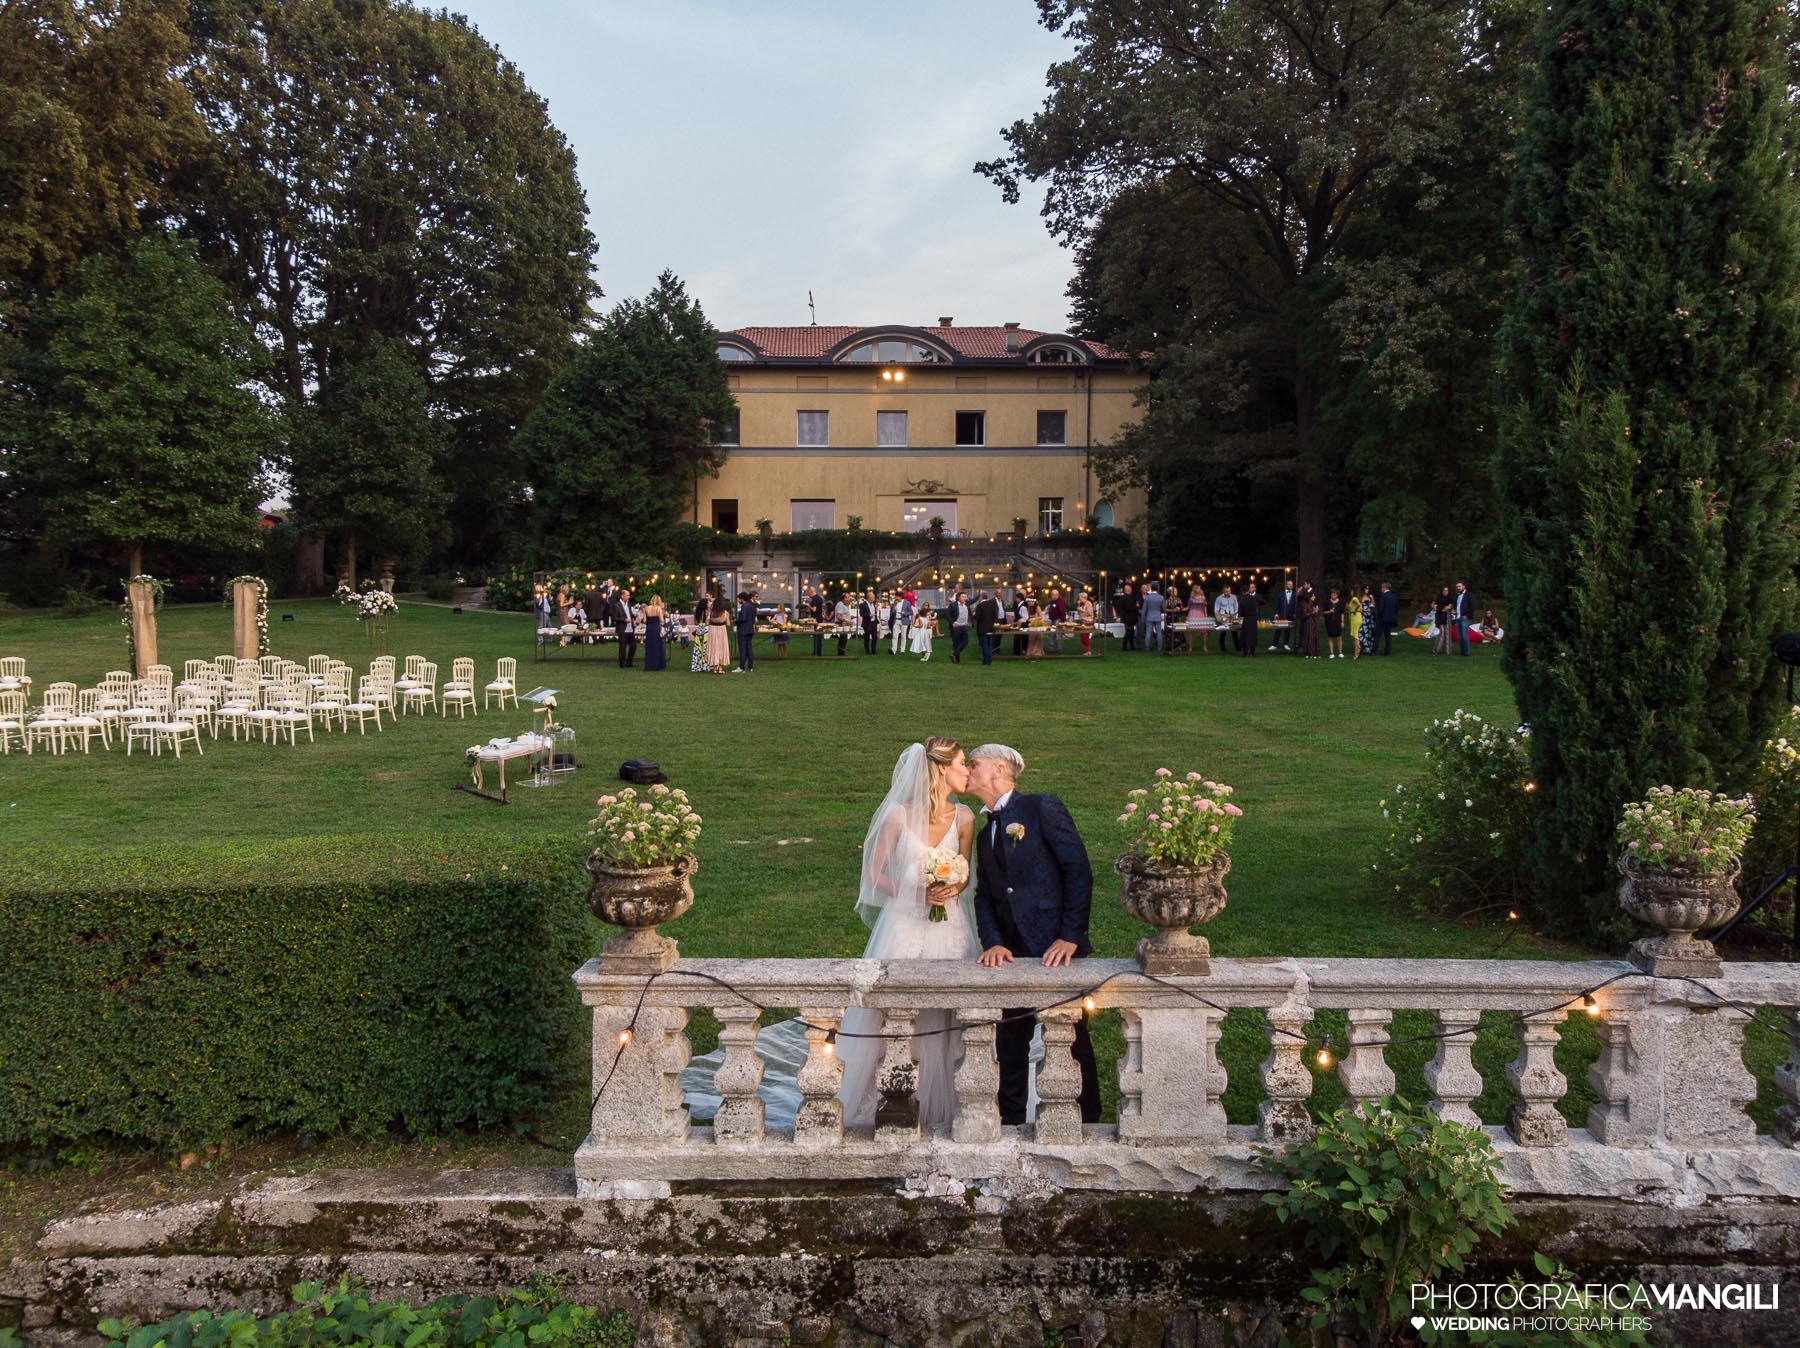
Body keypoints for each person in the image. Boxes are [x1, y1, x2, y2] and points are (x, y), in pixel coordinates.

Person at [835, 739, 979, 1131]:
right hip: (903, 923)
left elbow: (964, 874)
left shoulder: (965, 818)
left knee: (946, 1010)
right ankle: (876, 1098)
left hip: (948, 927)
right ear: (941, 769)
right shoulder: (899, 815)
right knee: (888, 1011)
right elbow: (873, 876)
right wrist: (916, 891)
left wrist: (952, 888)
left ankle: (942, 1101)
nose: (968, 770)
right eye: (963, 764)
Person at [967, 743, 1102, 1127]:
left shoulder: (1041, 807)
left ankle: (1087, 1118)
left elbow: (1078, 870)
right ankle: (1009, 1121)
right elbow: (985, 896)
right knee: (1010, 1042)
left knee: (1072, 1037)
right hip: (1009, 952)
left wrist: (1070, 935)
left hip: (1055, 948)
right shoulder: (984, 834)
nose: (967, 771)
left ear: (998, 770)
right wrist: (992, 940)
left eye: (974, 764)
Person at [611, 589, 638, 668]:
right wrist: (624, 620)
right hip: (622, 629)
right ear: (622, 596)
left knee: (633, 646)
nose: (629, 597)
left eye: (629, 595)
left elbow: (629, 614)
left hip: (630, 629)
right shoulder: (617, 605)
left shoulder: (628, 604)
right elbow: (614, 618)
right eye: (627, 595)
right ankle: (622, 664)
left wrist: (634, 615)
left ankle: (629, 662)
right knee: (623, 647)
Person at [975, 589, 1001, 665]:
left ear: (981, 597)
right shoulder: (992, 605)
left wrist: (974, 614)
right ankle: (989, 661)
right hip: (991, 628)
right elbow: (995, 616)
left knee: (984, 645)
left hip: (982, 629)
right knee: (989, 645)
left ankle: (986, 661)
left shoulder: (980, 606)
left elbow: (977, 617)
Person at [734, 591, 758, 672]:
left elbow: (743, 618)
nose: (738, 601)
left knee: (743, 649)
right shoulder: (752, 606)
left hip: (743, 630)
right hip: (750, 630)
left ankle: (741, 667)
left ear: (742, 599)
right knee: (749, 648)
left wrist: (736, 621)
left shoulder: (744, 606)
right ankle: (750, 667)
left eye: (739, 599)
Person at [707, 596, 732, 673]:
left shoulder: (711, 612)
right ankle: (720, 668)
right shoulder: (725, 613)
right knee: (722, 647)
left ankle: (714, 667)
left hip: (713, 630)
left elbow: (707, 623)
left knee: (713, 647)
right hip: (722, 630)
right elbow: (728, 624)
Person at [642, 595, 667, 671]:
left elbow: (644, 621)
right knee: (657, 646)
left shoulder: (646, 608)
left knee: (649, 647)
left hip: (649, 628)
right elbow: (662, 620)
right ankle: (657, 665)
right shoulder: (658, 608)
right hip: (656, 628)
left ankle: (649, 665)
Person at [1112, 583, 1139, 652]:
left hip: (1127, 617)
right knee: (1129, 632)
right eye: (1130, 589)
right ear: (1128, 590)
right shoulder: (1126, 598)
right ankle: (1126, 646)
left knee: (1130, 632)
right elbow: (1129, 608)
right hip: (1128, 618)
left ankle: (1130, 646)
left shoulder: (1124, 597)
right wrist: (1136, 607)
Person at [1213, 584, 1239, 653]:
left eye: (1229, 591)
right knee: (1223, 632)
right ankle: (1223, 648)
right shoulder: (1219, 598)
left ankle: (1238, 647)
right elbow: (1216, 610)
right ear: (1223, 591)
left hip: (1232, 615)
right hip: (1223, 616)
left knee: (1234, 632)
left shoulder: (1234, 597)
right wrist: (1219, 618)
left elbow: (1236, 607)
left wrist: (1235, 616)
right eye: (1226, 591)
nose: (1228, 592)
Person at [1298, 583, 1321, 659]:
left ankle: (1315, 652)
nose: (1314, 597)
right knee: (1309, 637)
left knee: (1314, 637)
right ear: (1310, 597)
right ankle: (1309, 652)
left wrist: (1316, 612)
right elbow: (1305, 614)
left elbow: (1314, 613)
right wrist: (1313, 612)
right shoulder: (1305, 604)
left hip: (1313, 622)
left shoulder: (1313, 604)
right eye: (1313, 596)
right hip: (1308, 623)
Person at [1452, 581, 1474, 656]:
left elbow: (1472, 606)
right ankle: (1462, 652)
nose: (1458, 588)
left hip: (1465, 618)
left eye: (1459, 586)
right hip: (1458, 617)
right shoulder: (1458, 596)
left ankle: (1466, 652)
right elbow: (1457, 606)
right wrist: (1454, 611)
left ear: (1464, 586)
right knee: (1460, 636)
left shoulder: (1469, 595)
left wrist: (1467, 615)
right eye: (1457, 587)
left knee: (1464, 635)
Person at [1238, 583, 1262, 656]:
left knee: (1245, 635)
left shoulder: (1242, 600)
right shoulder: (1253, 598)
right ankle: (1252, 652)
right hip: (1254, 619)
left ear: (1242, 592)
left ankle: (1245, 652)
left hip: (1246, 619)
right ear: (1248, 590)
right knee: (1253, 635)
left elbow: (1241, 613)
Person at [1377, 582, 1400, 656]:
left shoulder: (1383, 596)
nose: (1381, 589)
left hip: (1383, 619)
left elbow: (1381, 608)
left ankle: (1374, 651)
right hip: (1391, 619)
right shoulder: (1394, 596)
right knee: (1388, 636)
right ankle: (1387, 652)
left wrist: (1379, 616)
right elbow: (1396, 608)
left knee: (1377, 635)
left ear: (1384, 588)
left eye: (1381, 588)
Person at [1273, 580, 1296, 652]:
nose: (1291, 586)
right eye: (1289, 584)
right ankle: (1274, 644)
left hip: (1290, 615)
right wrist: (1276, 613)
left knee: (1288, 630)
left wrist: (1294, 613)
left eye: (1292, 584)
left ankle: (1286, 644)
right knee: (1278, 629)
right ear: (1286, 585)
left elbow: (1295, 605)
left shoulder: (1295, 594)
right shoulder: (1280, 594)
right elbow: (1277, 604)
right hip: (1281, 614)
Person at [1142, 582, 1166, 653]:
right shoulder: (1161, 597)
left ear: (1151, 588)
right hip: (1157, 616)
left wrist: (1143, 618)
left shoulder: (1147, 597)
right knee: (1159, 633)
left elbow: (1144, 609)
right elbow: (1163, 608)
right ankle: (1159, 649)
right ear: (1158, 588)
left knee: (1148, 633)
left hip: (1149, 617)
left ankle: (1147, 649)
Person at [948, 590, 971, 664]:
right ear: (958, 598)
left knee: (965, 642)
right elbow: (947, 614)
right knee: (956, 643)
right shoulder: (953, 605)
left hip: (964, 626)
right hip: (956, 627)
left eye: (965, 597)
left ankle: (954, 654)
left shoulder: (966, 605)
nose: (965, 598)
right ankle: (956, 659)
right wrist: (952, 623)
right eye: (963, 597)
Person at [1186, 586, 1210, 654]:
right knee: (1192, 631)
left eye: (1199, 588)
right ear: (1194, 589)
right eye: (1197, 588)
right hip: (1193, 613)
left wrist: (1206, 614)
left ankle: (1205, 647)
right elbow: (1189, 606)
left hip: (1201, 613)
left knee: (1204, 631)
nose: (1198, 589)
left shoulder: (1203, 597)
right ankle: (1190, 647)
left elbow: (1205, 606)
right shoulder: (1192, 597)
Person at [1323, 587, 1345, 659]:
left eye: (1335, 594)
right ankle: (1331, 653)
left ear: (1337, 595)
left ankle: (1340, 653)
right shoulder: (1327, 602)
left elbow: (1342, 613)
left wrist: (1342, 622)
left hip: (1338, 622)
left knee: (1339, 637)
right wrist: (1329, 611)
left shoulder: (1340, 602)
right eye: (1332, 594)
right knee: (1330, 637)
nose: (1333, 595)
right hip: (1329, 622)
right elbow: (1323, 612)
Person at [1432, 586, 1453, 655]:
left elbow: (1449, 607)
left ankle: (1447, 651)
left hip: (1447, 617)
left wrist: (1440, 607)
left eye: (1447, 590)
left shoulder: (1450, 598)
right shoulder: (1438, 598)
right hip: (1440, 617)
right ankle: (1436, 649)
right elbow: (1434, 606)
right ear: (1442, 591)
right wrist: (1442, 608)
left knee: (1448, 633)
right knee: (1442, 632)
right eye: (1444, 590)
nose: (1445, 591)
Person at [1077, 590, 1096, 655]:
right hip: (1082, 622)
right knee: (1082, 636)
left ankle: (1088, 651)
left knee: (1085, 636)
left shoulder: (1089, 603)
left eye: (1080, 597)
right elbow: (1080, 614)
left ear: (1084, 597)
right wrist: (1079, 608)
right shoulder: (1081, 604)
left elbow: (1090, 613)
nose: (1079, 599)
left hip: (1088, 622)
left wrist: (1081, 610)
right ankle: (1086, 650)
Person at [859, 591, 878, 656]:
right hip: (867, 623)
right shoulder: (862, 605)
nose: (874, 599)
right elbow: (861, 614)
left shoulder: (873, 604)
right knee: (867, 637)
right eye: (873, 597)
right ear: (869, 598)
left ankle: (873, 651)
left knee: (874, 637)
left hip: (873, 623)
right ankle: (867, 651)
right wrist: (868, 615)